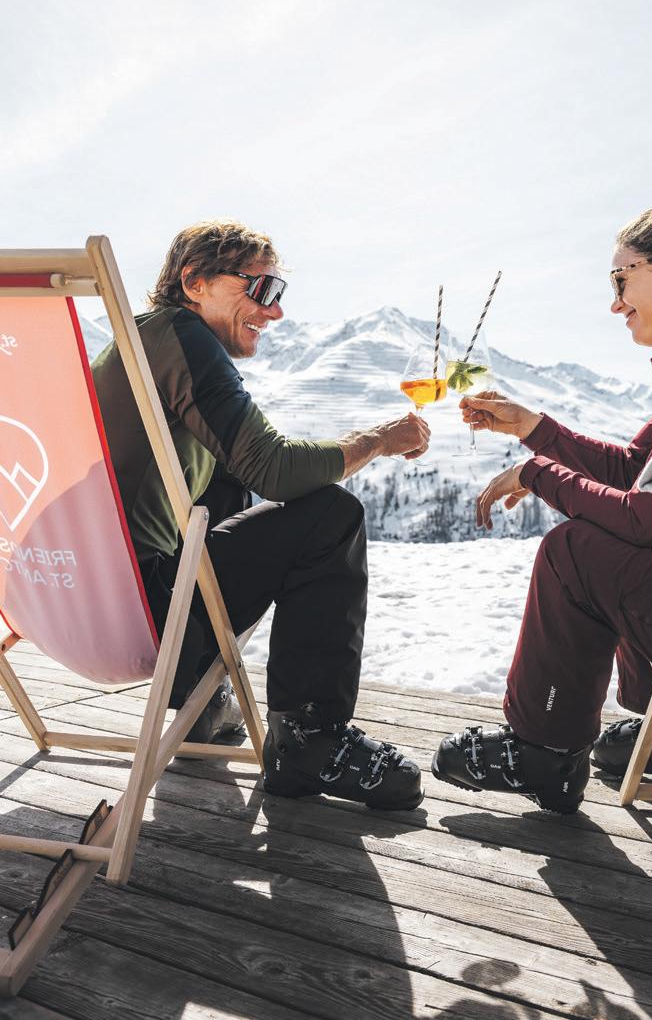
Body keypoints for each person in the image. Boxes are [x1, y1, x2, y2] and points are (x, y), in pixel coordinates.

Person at [431, 191, 652, 814]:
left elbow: (644, 516)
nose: (615, 303)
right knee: (618, 539)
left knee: (575, 550)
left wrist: (538, 474)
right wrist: (535, 429)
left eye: (621, 279)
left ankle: (543, 749)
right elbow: (640, 470)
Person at [92, 219, 430, 811]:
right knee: (329, 516)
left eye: (279, 292)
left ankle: (201, 701)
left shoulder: (134, 341)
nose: (274, 311)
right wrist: (377, 440)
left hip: (73, 598)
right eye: (260, 288)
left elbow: (248, 468)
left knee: (226, 483)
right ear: (194, 282)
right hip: (142, 611)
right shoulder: (182, 335)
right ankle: (310, 741)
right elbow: (273, 467)